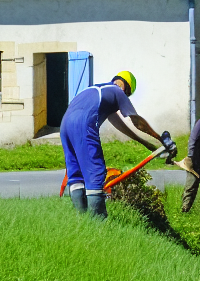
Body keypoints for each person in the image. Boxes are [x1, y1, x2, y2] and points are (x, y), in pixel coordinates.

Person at [60, 70, 172, 218]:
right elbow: (136, 121)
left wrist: (145, 143)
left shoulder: (95, 90)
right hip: (84, 125)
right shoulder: (117, 92)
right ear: (125, 87)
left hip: (65, 126)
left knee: (76, 176)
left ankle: (81, 220)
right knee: (95, 174)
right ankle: (98, 224)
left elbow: (119, 124)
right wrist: (159, 138)